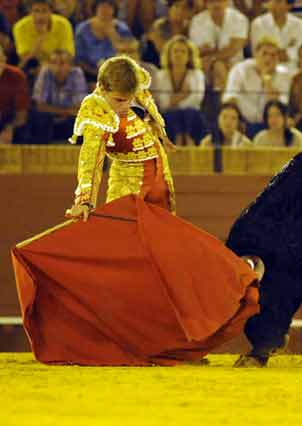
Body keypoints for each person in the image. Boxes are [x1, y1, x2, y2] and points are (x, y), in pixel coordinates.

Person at [12, 55, 263, 366]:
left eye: (128, 99)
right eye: (119, 100)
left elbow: (147, 104)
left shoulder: (131, 88)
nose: (124, 105)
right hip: (129, 194)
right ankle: (157, 342)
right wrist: (86, 199)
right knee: (142, 276)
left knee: (168, 267)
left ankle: (182, 344)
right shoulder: (97, 112)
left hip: (157, 184)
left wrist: (160, 134)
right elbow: (91, 159)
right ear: (101, 89)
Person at [223, 36, 291, 137]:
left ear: (278, 58)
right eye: (264, 54)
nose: (268, 58)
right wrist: (237, 121)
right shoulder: (240, 69)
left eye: (273, 55)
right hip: (243, 122)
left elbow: (281, 106)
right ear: (255, 54)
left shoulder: (284, 75)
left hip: (270, 124)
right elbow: (230, 97)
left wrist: (267, 81)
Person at [153, 35, 207, 146]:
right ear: (169, 55)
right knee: (172, 116)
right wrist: (183, 95)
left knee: (189, 114)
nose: (179, 54)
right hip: (168, 117)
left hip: (192, 117)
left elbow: (196, 101)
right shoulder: (161, 76)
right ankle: (178, 142)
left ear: (189, 56)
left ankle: (188, 142)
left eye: (183, 52)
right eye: (175, 51)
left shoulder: (197, 75)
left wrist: (174, 100)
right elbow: (164, 104)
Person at [31, 48, 88, 143]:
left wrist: (61, 112)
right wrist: (65, 111)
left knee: (80, 121)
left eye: (62, 63)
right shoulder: (45, 72)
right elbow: (40, 106)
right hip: (50, 117)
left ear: (70, 65)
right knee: (40, 118)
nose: (57, 67)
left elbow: (79, 106)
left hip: (69, 118)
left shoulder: (77, 73)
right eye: (53, 63)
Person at [13, 0, 75, 83]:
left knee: (76, 72)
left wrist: (52, 67)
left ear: (51, 12)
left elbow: (67, 55)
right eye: (36, 11)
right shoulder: (20, 27)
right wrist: (41, 36)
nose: (40, 16)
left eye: (44, 11)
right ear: (30, 12)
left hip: (59, 66)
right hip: (33, 68)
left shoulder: (64, 24)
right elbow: (25, 60)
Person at [74, 0, 132, 82]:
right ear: (95, 9)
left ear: (114, 10)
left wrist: (113, 35)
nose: (105, 10)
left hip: (117, 75)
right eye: (102, 7)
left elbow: (129, 54)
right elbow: (78, 59)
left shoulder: (122, 28)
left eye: (109, 7)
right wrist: (96, 73)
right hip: (89, 74)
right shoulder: (82, 29)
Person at [189, 0, 248, 69]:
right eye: (212, 1)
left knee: (218, 66)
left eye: (220, 1)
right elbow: (197, 51)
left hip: (234, 66)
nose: (216, 4)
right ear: (206, 4)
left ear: (227, 2)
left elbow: (233, 49)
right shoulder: (197, 21)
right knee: (215, 65)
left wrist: (213, 58)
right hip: (205, 65)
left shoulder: (239, 19)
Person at [250, 0, 302, 70]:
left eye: (278, 1)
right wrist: (284, 53)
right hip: (266, 69)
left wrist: (284, 54)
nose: (273, 5)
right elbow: (257, 51)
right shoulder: (258, 24)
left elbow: (300, 51)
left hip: (292, 70)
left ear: (289, 5)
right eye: (271, 1)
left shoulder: (299, 24)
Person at [142, 0, 193, 67]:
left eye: (184, 8)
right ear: (169, 9)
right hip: (156, 62)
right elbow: (163, 50)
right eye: (176, 6)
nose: (180, 11)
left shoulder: (190, 27)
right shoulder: (159, 25)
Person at [0, 45, 30, 144]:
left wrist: (9, 129)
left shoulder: (17, 75)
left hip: (10, 120)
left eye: (0, 60)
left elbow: (21, 115)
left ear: (5, 59)